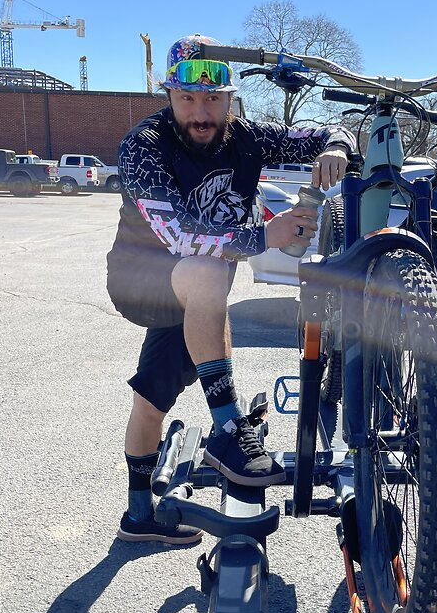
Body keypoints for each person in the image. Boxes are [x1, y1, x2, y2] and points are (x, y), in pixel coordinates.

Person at [106, 34, 356, 543]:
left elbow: (328, 129)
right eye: (188, 99)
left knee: (152, 399)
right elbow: (178, 237)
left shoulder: (247, 137)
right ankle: (228, 429)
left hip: (201, 289)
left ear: (229, 97)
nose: (201, 113)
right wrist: (268, 235)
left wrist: (336, 146)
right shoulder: (144, 146)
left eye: (213, 100)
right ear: (169, 96)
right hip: (142, 278)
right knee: (205, 271)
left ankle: (138, 517)